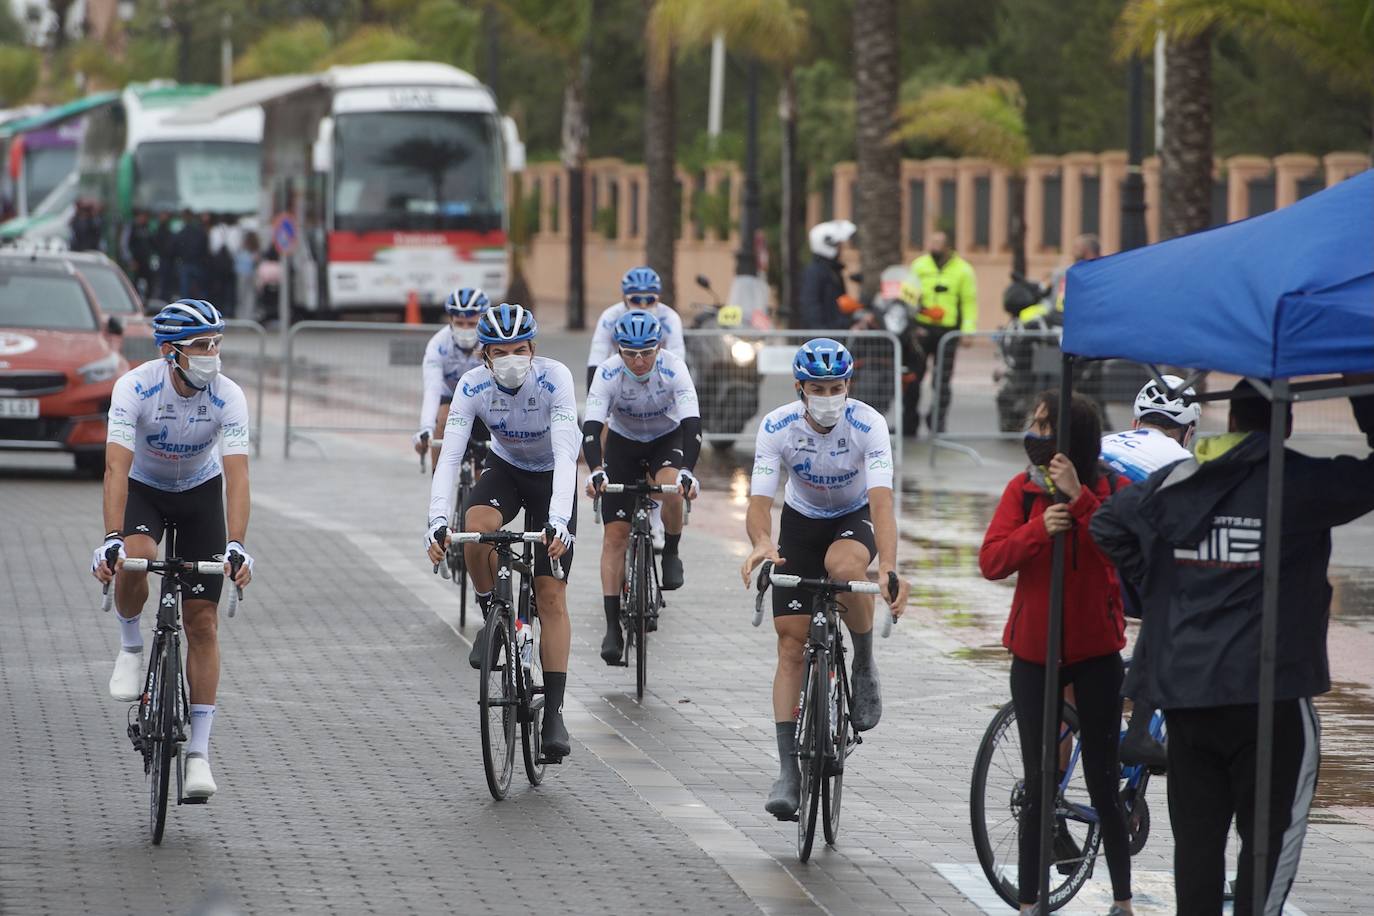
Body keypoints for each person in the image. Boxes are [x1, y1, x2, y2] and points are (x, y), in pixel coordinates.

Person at [1091, 377, 1374, 916]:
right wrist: (1361, 386)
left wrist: (1166, 591)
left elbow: (1108, 525)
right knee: (1264, 860)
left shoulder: (1179, 482)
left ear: (1231, 421)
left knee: (1196, 860)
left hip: (1189, 701)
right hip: (1271, 701)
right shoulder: (1300, 482)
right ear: (1286, 423)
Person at [978, 391, 1134, 915]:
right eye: (1034, 423)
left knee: (1104, 781)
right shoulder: (1022, 491)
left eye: (1048, 426)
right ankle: (1027, 903)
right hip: (1033, 653)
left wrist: (1081, 499)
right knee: (1039, 781)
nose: (1036, 434)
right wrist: (1036, 531)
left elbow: (1124, 549)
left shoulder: (1113, 486)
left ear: (1076, 440)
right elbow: (992, 561)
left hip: (1095, 653)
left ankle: (1123, 898)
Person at [91, 298, 254, 800]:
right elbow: (116, 467)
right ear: (170, 352)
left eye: (216, 344)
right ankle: (131, 645)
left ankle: (199, 755)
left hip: (200, 494)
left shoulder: (228, 396)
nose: (212, 354)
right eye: (200, 346)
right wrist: (111, 538)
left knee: (202, 621)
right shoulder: (135, 387)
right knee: (135, 558)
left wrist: (237, 545)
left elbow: (238, 477)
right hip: (146, 489)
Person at [739, 338, 909, 819]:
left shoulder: (868, 424)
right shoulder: (777, 427)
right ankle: (789, 771)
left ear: (848, 385)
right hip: (800, 522)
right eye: (819, 388)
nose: (830, 395)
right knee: (791, 646)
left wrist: (891, 567)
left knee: (845, 568)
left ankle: (863, 660)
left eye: (837, 386)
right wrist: (761, 544)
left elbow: (882, 504)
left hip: (854, 518)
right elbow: (759, 502)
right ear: (800, 388)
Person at [425, 303, 579, 761]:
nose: (512, 359)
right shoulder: (471, 386)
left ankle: (554, 713)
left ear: (533, 349)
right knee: (474, 530)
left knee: (550, 596)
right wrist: (435, 521)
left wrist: (559, 521)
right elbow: (450, 457)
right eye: (501, 352)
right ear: (485, 356)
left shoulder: (556, 379)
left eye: (521, 349)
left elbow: (569, 454)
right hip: (507, 470)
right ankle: (492, 609)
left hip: (553, 476)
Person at [582, 309, 701, 663]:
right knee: (615, 536)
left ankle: (673, 551)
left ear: (658, 347)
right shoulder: (607, 372)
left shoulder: (674, 368)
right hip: (623, 443)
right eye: (630, 353)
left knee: (671, 488)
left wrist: (688, 472)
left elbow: (693, 423)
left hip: (666, 439)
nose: (638, 360)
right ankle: (611, 626)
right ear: (619, 350)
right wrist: (596, 470)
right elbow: (591, 427)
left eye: (646, 352)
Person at [1099, 375, 1202, 770]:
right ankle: (1141, 727)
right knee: (1169, 608)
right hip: (1123, 565)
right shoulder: (1184, 464)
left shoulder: (1104, 442)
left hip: (1072, 564)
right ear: (1188, 431)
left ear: (1136, 419)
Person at [900, 231, 978, 437]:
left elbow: (969, 302)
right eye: (932, 243)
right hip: (922, 329)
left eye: (939, 244)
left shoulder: (963, 270)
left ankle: (937, 421)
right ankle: (909, 422)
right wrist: (911, 321)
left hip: (947, 330)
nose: (934, 247)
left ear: (949, 246)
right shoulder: (920, 265)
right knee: (913, 377)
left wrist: (968, 331)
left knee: (942, 380)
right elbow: (907, 296)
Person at [413, 287, 489, 470]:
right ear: (450, 320)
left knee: (482, 470)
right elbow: (432, 390)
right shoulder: (438, 344)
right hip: (451, 396)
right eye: (459, 323)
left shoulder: (491, 343)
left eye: (471, 323)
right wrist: (426, 428)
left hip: (483, 399)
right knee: (444, 418)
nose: (465, 329)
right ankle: (438, 480)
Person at [585, 267, 685, 389]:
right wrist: (592, 393)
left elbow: (677, 354)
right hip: (621, 376)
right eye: (636, 300)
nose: (643, 306)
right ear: (624, 298)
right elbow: (598, 351)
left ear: (659, 298)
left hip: (659, 377)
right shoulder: (610, 316)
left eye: (650, 299)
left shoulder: (670, 317)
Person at [798, 219, 859, 331]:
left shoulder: (833, 271)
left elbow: (840, 305)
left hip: (834, 335)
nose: (841, 250)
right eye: (838, 245)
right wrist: (822, 334)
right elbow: (811, 307)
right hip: (824, 340)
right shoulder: (815, 272)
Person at [173, 209, 210, 300]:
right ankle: (202, 307)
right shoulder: (200, 231)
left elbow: (176, 247)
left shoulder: (181, 232)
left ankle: (186, 309)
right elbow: (204, 247)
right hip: (198, 263)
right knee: (200, 288)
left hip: (185, 263)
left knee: (185, 290)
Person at [120, 209, 156, 299]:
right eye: (143, 216)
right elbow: (124, 244)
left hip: (145, 261)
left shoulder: (147, 228)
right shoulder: (131, 227)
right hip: (134, 262)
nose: (144, 219)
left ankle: (147, 301)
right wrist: (130, 260)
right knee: (133, 284)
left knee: (149, 282)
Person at [153, 210, 177, 301]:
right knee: (164, 282)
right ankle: (163, 299)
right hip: (164, 259)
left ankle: (165, 298)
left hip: (167, 260)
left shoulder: (166, 229)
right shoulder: (161, 230)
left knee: (166, 282)